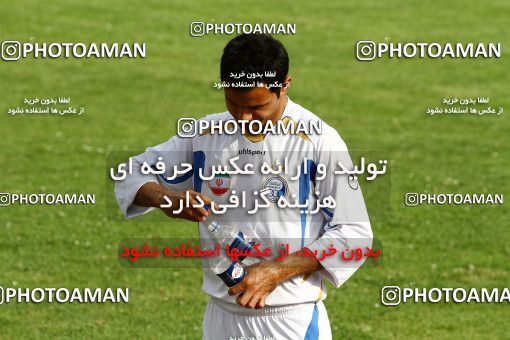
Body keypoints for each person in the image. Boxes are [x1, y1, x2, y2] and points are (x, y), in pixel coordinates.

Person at [115, 33, 373, 340]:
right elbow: (128, 172)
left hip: (290, 322)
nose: (244, 118)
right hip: (221, 319)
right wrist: (167, 198)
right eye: (233, 103)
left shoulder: (319, 141)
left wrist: (277, 271)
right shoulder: (206, 133)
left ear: (285, 85)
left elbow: (355, 236)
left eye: (257, 106)